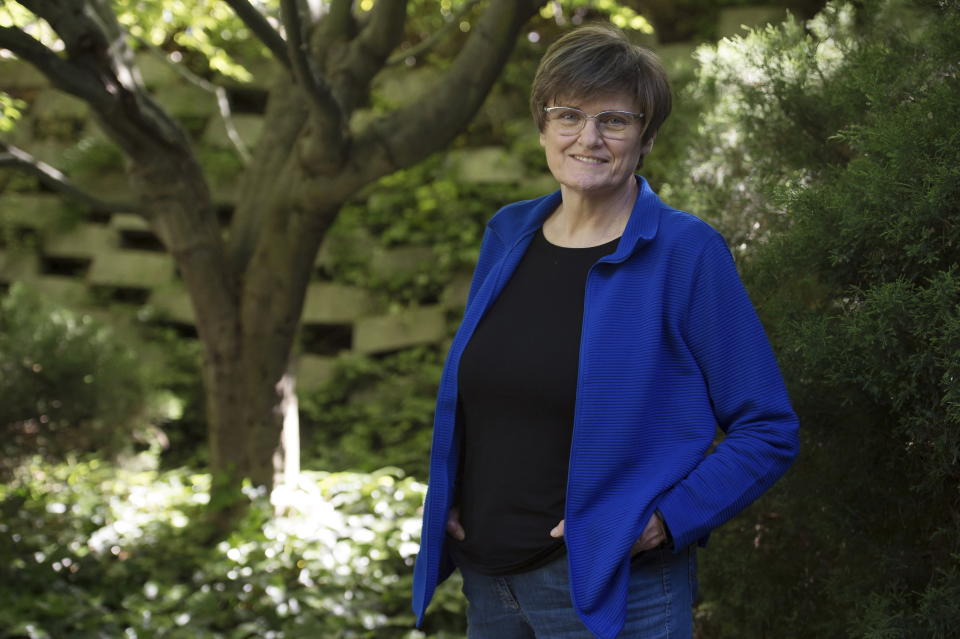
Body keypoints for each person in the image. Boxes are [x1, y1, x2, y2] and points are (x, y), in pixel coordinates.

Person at [412, 23, 799, 639]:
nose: (588, 137)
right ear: (543, 127)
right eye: (568, 115)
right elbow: (488, 392)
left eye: (614, 121)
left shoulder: (685, 253)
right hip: (489, 584)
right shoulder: (508, 234)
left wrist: (666, 521)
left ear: (644, 139)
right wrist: (455, 491)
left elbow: (768, 428)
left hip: (613, 589)